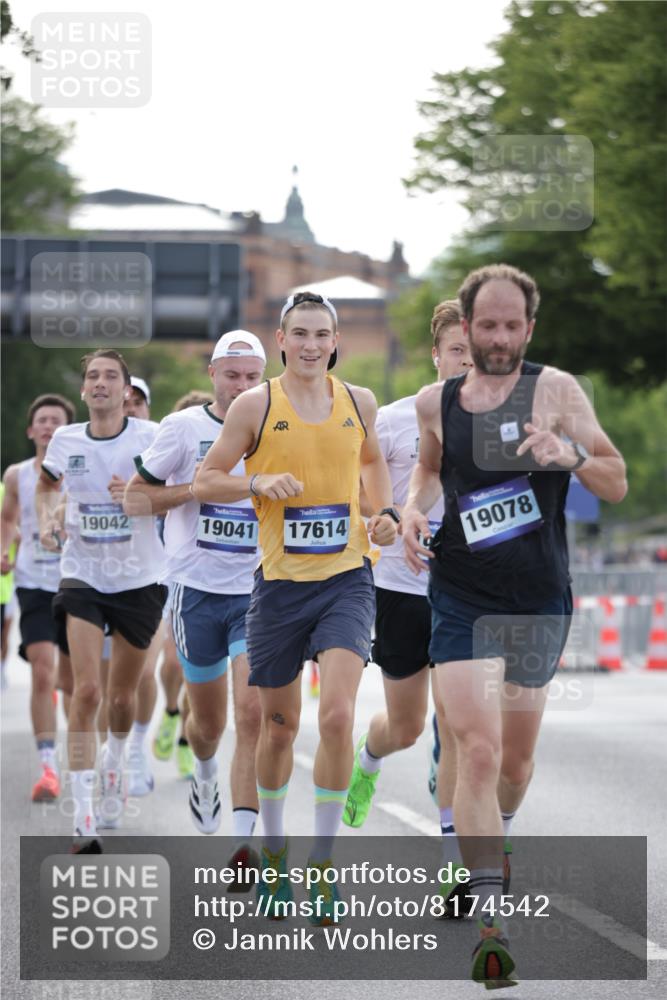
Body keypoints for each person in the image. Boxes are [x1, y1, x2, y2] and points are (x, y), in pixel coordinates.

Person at [402, 263, 627, 987]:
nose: (497, 338)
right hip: (459, 592)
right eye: (485, 325)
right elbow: (428, 473)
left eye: (510, 326)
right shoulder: (433, 402)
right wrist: (411, 507)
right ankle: (489, 923)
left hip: (536, 597)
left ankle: (493, 840)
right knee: (473, 748)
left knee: (514, 765)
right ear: (463, 328)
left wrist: (572, 455)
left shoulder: (557, 391)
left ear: (527, 329)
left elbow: (614, 479)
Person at [194, 291, 398, 924]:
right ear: (280, 341)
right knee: (278, 727)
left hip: (348, 578)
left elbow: (371, 462)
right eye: (300, 334)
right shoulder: (258, 404)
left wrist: (382, 513)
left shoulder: (358, 402)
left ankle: (323, 864)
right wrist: (254, 481)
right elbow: (206, 480)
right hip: (279, 585)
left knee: (337, 716)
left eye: (322, 335)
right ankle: (276, 852)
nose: (312, 345)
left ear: (335, 342)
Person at [343, 302, 473, 898]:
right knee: (406, 727)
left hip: (464, 593)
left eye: (476, 353)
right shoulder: (395, 421)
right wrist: (381, 522)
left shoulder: (501, 424)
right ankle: (369, 759)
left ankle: (454, 864)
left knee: (458, 727)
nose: (467, 362)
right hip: (398, 590)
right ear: (437, 355)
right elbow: (361, 495)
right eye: (457, 352)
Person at [126, 333, 266, 881]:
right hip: (195, 592)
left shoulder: (276, 424)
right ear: (212, 374)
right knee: (207, 725)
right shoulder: (182, 430)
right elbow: (136, 498)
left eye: (253, 376)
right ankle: (205, 771)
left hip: (258, 591)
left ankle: (242, 845)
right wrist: (195, 489)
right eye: (232, 375)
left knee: (252, 712)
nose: (243, 386)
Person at [37, 349, 166, 853]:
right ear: (84, 389)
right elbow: (49, 486)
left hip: (140, 578)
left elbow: (182, 491)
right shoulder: (67, 440)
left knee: (120, 698)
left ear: (127, 392)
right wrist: (50, 519)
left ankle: (114, 762)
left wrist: (138, 495)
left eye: (111, 376)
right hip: (83, 575)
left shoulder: (150, 439)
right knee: (86, 692)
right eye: (93, 376)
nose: (100, 383)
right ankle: (83, 819)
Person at [1, 393, 76, 801]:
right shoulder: (17, 476)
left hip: (75, 584)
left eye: (56, 421)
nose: (48, 426)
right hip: (32, 582)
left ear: (67, 430)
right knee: (43, 672)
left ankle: (79, 761)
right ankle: (48, 767)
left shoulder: (82, 470)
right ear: (31, 430)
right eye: (42, 420)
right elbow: (8, 519)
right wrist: (3, 552)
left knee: (72, 682)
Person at [150, 390, 213, 780]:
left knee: (202, 672)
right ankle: (171, 711)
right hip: (175, 576)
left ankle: (189, 741)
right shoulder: (170, 465)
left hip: (220, 580)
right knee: (173, 662)